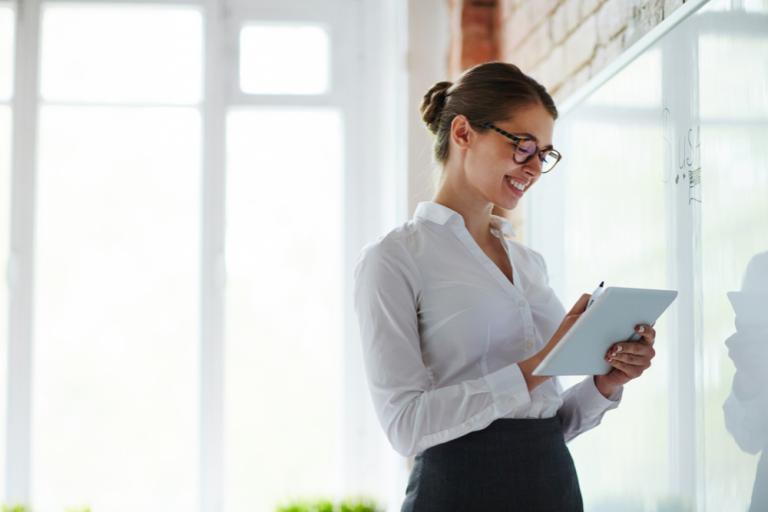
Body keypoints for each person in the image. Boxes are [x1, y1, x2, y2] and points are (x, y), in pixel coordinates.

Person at [352, 61, 657, 511]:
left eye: (545, 154)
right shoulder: (394, 259)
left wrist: (604, 384)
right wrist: (540, 364)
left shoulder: (528, 264)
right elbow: (405, 426)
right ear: (462, 133)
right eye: (523, 147)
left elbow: (548, 421)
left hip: (553, 486)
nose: (534, 167)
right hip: (458, 493)